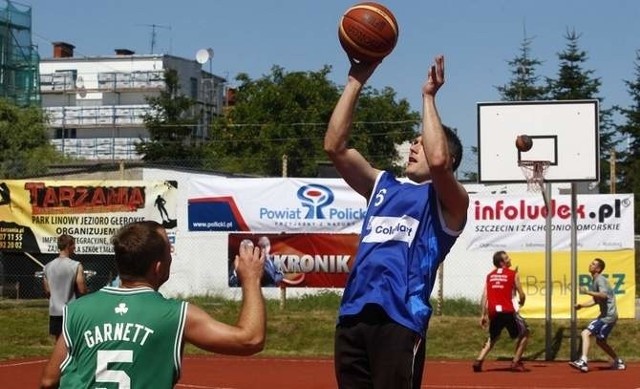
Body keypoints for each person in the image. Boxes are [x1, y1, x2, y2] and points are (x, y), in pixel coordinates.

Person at [325, 55, 469, 389]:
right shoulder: (382, 184)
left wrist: (429, 96)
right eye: (414, 142)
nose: (414, 146)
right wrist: (355, 81)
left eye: (421, 140)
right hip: (352, 315)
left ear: (451, 158)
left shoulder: (450, 203)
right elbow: (335, 146)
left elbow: (437, 161)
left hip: (400, 318)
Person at [40, 221, 266, 388]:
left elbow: (49, 380)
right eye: (169, 252)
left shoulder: (78, 311)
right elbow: (250, 339)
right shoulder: (175, 315)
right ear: (158, 267)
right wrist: (251, 279)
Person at [472, 251, 529, 372]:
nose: (510, 259)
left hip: (493, 312)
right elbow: (521, 293)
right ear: (502, 262)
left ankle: (479, 360)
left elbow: (485, 296)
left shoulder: (490, 275)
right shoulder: (513, 274)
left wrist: (483, 314)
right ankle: (516, 362)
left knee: (493, 336)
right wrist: (522, 301)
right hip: (507, 311)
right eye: (507, 258)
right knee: (525, 333)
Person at [569, 258, 625, 372]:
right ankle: (618, 361)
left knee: (585, 333)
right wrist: (582, 305)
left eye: (594, 264)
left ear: (598, 269)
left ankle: (583, 361)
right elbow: (596, 299)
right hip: (608, 316)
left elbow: (603, 295)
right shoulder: (595, 281)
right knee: (600, 341)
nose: (591, 265)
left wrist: (587, 292)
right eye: (591, 263)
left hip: (607, 316)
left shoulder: (600, 280)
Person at [42, 234, 87, 341]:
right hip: (71, 310)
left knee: (59, 341)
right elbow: (81, 289)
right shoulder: (76, 265)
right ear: (68, 246)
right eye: (73, 245)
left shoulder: (47, 266)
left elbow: (47, 291)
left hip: (55, 310)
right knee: (73, 340)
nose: (75, 248)